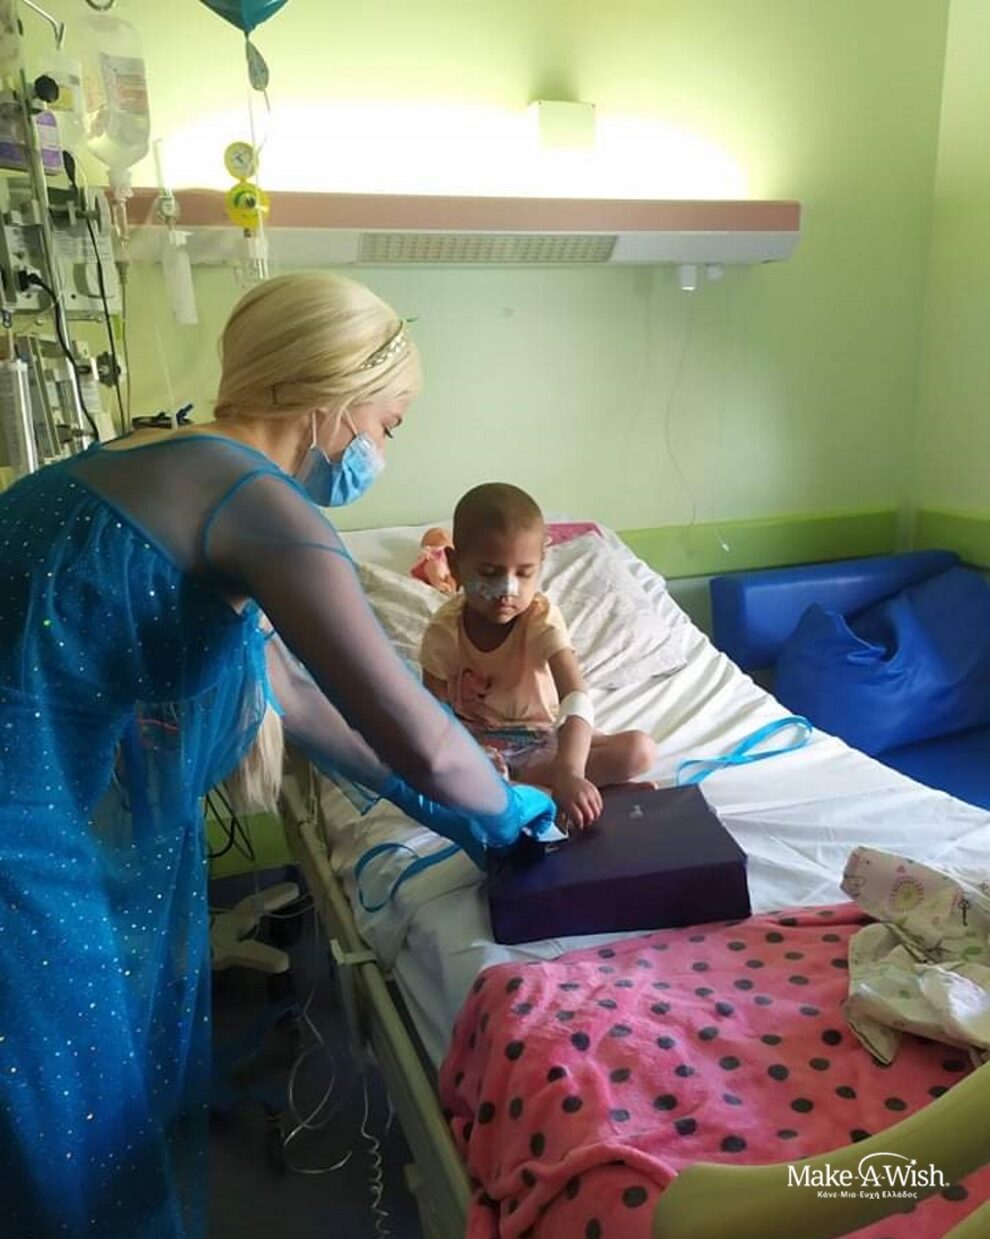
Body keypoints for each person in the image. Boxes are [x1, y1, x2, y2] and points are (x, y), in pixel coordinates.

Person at [0, 272, 553, 1238]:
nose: (380, 451)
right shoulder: (259, 504)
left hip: (37, 824)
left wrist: (458, 811)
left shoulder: (154, 453)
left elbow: (293, 697)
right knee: (80, 1143)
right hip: (21, 853)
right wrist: (504, 810)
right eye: (387, 424)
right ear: (336, 399)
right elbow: (416, 734)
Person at [419, 482, 657, 829]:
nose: (508, 590)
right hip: (479, 749)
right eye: (489, 573)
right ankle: (574, 792)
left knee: (639, 750)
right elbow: (433, 717)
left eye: (524, 573)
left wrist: (570, 771)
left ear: (541, 565)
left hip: (544, 739)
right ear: (455, 566)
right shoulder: (444, 632)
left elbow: (575, 695)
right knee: (446, 778)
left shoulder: (539, 619)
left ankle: (553, 789)